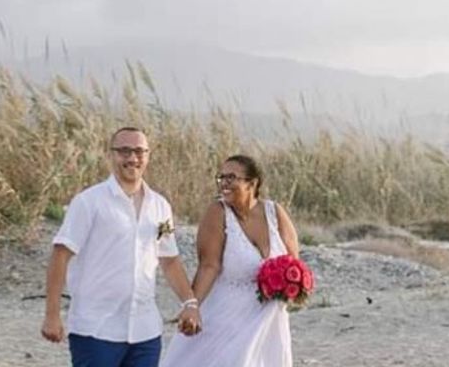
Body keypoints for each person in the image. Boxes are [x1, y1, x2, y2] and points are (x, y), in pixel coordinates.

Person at [41, 127, 202, 367]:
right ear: (112, 155)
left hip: (145, 331)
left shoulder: (160, 206)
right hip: (96, 330)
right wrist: (52, 315)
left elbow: (169, 260)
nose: (132, 158)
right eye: (124, 151)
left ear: (148, 155)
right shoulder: (89, 202)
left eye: (139, 151)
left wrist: (190, 304)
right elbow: (60, 255)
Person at [160, 154, 299, 367]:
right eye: (221, 177)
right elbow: (209, 265)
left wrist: (290, 287)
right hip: (227, 316)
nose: (224, 183)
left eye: (232, 177)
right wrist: (192, 305)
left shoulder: (275, 212)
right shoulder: (217, 212)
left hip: (270, 319)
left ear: (252, 183)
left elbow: (294, 265)